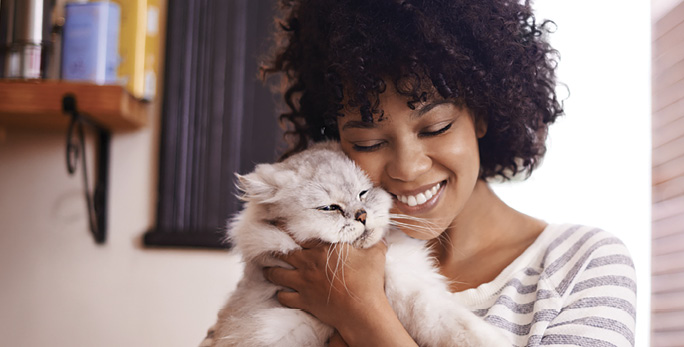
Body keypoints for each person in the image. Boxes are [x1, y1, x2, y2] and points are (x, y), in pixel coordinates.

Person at [203, 0, 636, 346]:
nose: (408, 167)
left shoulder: (583, 266)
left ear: (481, 115)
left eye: (436, 127)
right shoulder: (310, 260)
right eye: (369, 143)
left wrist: (362, 312)